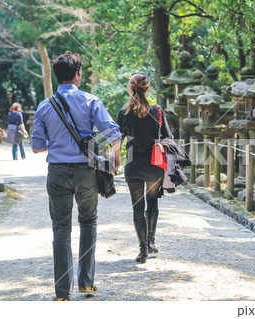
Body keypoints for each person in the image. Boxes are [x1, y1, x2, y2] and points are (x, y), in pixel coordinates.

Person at [31, 52, 121, 301]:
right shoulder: (91, 101)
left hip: (57, 171)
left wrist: (58, 142)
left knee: (60, 228)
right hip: (86, 171)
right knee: (88, 222)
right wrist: (115, 156)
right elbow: (113, 133)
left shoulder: (44, 105)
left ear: (58, 76)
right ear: (78, 75)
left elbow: (37, 146)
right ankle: (86, 283)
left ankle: (62, 293)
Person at [117, 73, 172, 264]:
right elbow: (167, 137)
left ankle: (142, 250)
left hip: (133, 164)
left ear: (131, 88)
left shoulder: (124, 112)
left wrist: (114, 161)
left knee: (137, 207)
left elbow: (118, 138)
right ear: (147, 88)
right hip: (154, 165)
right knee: (153, 202)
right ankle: (151, 241)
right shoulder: (157, 111)